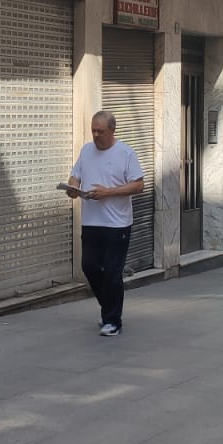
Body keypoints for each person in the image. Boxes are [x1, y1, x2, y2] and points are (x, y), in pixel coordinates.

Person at [66, 110, 144, 337]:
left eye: (100, 131)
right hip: (91, 222)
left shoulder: (126, 153)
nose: (96, 135)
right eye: (93, 130)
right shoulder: (86, 151)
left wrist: (108, 192)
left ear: (112, 131)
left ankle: (112, 320)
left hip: (117, 224)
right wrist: (73, 187)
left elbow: (138, 186)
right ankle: (108, 307)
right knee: (89, 267)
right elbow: (76, 175)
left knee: (112, 272)